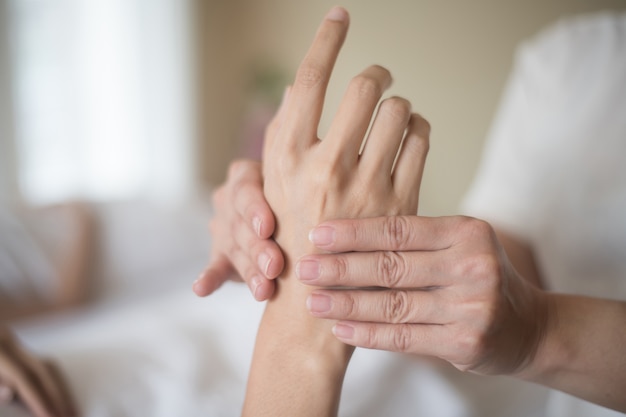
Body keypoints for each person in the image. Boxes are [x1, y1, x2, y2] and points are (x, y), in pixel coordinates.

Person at [193, 6, 626, 416]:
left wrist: (541, 332)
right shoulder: (572, 60)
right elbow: (515, 271)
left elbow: (524, 317)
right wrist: (313, 239)